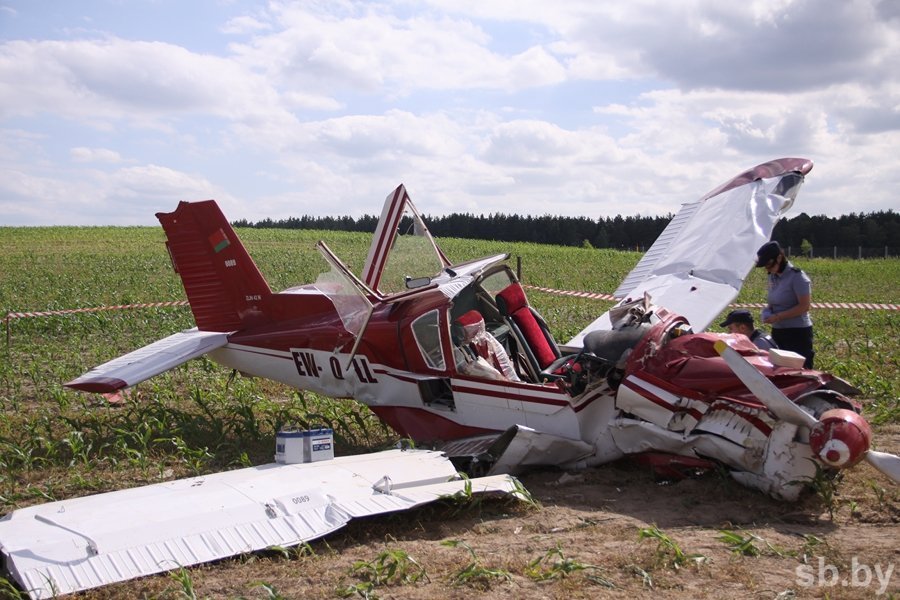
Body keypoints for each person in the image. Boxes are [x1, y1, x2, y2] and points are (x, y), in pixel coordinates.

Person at [755, 240, 814, 367]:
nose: (768, 269)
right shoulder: (772, 276)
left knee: (800, 370)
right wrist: (767, 312)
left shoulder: (797, 277)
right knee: (780, 370)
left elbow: (804, 306)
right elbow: (773, 301)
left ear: (780, 257)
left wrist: (778, 317)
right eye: (765, 266)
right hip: (778, 331)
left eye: (769, 264)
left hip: (797, 333)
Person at [455, 310, 521, 381]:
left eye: (462, 331)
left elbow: (504, 363)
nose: (460, 334)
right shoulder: (460, 349)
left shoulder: (488, 340)